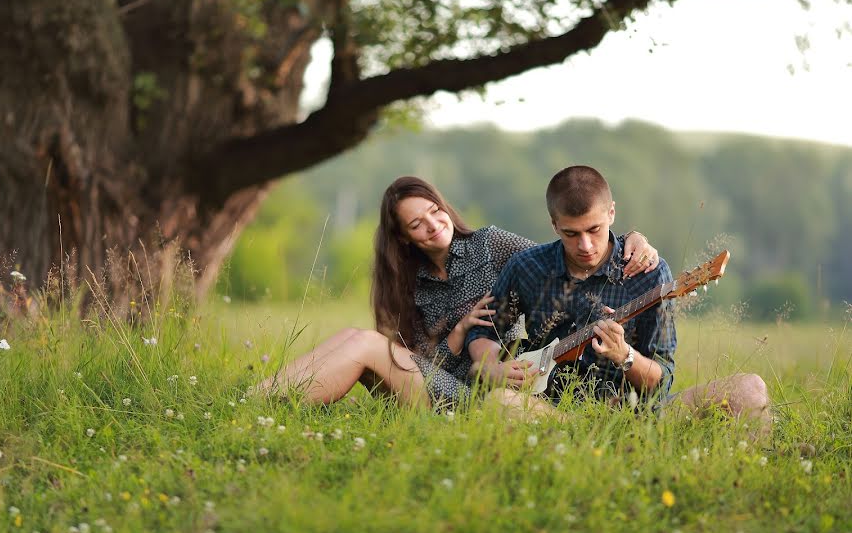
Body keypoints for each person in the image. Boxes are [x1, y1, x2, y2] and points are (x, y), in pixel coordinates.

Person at [260, 176, 660, 410]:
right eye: (417, 224)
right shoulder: (408, 286)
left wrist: (632, 238)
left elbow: (562, 257)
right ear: (402, 237)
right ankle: (257, 400)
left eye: (435, 211)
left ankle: (272, 407)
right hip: (439, 384)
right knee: (355, 338)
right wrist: (455, 336)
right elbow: (414, 357)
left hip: (488, 392)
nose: (434, 225)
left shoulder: (492, 244)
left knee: (364, 344)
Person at [466, 166, 771, 434]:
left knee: (750, 389)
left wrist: (624, 355)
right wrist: (492, 367)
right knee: (500, 402)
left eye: (594, 230)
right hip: (551, 414)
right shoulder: (527, 266)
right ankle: (587, 436)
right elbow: (483, 331)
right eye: (571, 233)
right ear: (553, 224)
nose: (584, 245)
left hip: (639, 417)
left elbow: (661, 381)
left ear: (611, 212)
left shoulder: (649, 272)